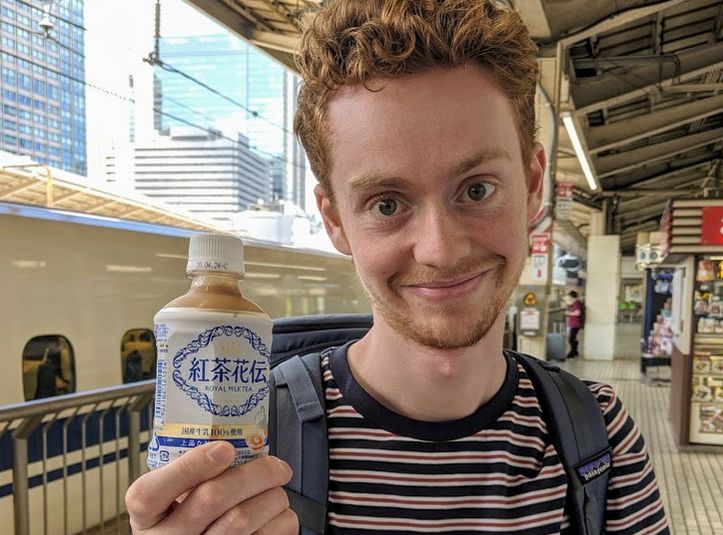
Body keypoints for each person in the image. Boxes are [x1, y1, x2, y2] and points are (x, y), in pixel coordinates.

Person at [126, 1, 669, 533]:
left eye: (477, 189)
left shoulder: (597, 436)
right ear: (335, 220)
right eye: (387, 203)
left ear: (531, 187)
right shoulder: (246, 439)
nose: (439, 250)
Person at [565, 290, 583, 359]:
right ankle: (575, 351)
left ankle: (572, 353)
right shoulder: (575, 303)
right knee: (573, 338)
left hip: (575, 324)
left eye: (569, 297)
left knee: (571, 339)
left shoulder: (576, 303)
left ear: (572, 297)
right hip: (574, 324)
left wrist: (568, 313)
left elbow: (577, 313)